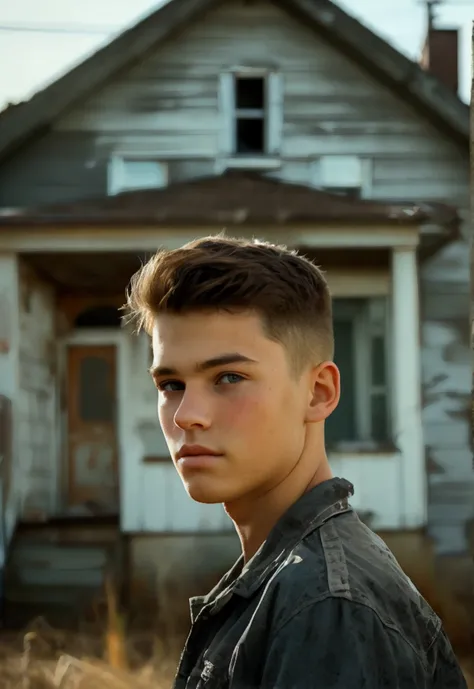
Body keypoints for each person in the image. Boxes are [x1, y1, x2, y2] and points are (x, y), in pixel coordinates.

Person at [125, 234, 467, 688]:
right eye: (171, 384)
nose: (187, 415)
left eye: (228, 377)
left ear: (318, 393)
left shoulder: (326, 607)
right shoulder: (286, 578)